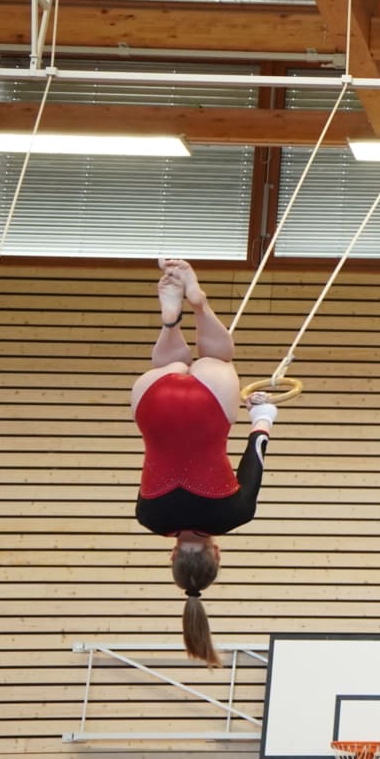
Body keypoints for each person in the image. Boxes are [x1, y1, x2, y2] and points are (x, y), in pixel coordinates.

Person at [132, 258, 277, 667]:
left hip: (209, 408)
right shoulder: (148, 518)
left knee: (219, 358)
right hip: (152, 405)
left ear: (217, 555)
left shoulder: (233, 515)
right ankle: (170, 323)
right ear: (172, 557)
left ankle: (199, 304)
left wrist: (263, 416)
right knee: (168, 368)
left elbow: (255, 458)